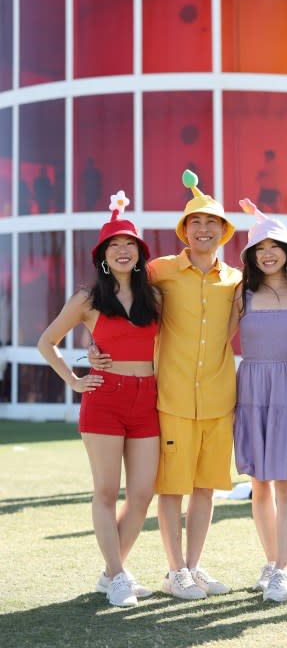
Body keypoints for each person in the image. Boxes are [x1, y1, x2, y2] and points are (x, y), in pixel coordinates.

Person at [90, 170, 241, 601]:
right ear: (184, 230)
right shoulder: (158, 271)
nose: (205, 230)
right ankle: (174, 572)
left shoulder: (235, 280)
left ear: (224, 231)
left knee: (205, 489)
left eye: (213, 223)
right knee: (170, 489)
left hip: (218, 399)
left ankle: (193, 566)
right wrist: (93, 344)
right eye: (196, 223)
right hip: (171, 399)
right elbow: (113, 302)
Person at [38, 191, 161, 608]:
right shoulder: (88, 299)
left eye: (130, 244)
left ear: (140, 254)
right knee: (107, 491)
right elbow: (46, 342)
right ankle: (120, 574)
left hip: (148, 400)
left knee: (142, 493)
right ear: (103, 257)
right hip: (105, 398)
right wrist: (74, 379)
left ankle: (111, 574)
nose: (123, 251)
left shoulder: (156, 297)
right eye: (115, 245)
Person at [228, 199, 287, 603]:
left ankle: (283, 569)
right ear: (250, 256)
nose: (267, 254)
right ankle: (270, 562)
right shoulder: (241, 293)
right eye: (259, 249)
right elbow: (212, 341)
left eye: (274, 247)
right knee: (259, 485)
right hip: (252, 390)